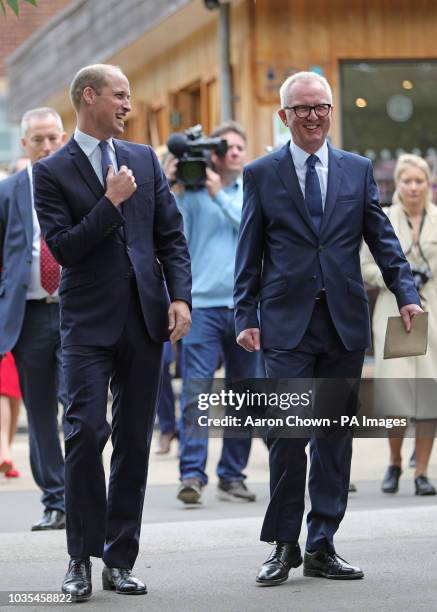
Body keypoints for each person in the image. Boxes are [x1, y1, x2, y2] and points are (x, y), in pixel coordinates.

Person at [234, 71, 422, 586]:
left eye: (321, 107)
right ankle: (282, 544)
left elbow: (382, 239)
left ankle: (322, 544)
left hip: (343, 324)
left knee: (335, 440)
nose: (313, 116)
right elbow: (249, 252)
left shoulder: (358, 170)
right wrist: (243, 315)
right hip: (285, 326)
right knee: (288, 438)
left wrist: (406, 294)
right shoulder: (262, 173)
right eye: (302, 109)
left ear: (331, 112)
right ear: (284, 116)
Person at [33, 64, 191, 602]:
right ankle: (79, 557)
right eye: (120, 95)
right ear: (90, 96)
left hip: (145, 319)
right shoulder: (50, 171)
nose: (128, 104)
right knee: (84, 433)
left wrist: (180, 297)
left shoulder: (145, 160)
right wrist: (110, 203)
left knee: (132, 443)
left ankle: (120, 560)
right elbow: (65, 250)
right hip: (86, 325)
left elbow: (171, 237)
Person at [165, 121, 264, 505]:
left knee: (244, 393)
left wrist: (219, 194)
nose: (235, 152)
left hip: (244, 307)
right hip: (202, 306)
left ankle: (232, 475)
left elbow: (253, 230)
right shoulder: (190, 193)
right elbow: (170, 233)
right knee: (196, 390)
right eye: (227, 147)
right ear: (212, 153)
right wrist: (172, 184)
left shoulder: (250, 191)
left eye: (240, 146)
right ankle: (192, 473)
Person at [0, 108, 68, 529]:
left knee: (81, 406)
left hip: (75, 312)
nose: (46, 147)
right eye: (38, 139)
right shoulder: (8, 192)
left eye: (53, 138)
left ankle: (83, 489)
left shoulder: (80, 183)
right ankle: (56, 501)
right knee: (41, 410)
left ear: (64, 139)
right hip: (28, 316)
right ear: (23, 143)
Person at [361, 154, 436, 496]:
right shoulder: (384, 219)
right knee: (397, 394)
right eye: (407, 181)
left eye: (420, 181)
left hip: (431, 314)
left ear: (428, 184)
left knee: (428, 395)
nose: (414, 187)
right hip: (394, 313)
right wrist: (396, 278)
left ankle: (421, 471)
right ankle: (393, 463)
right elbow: (364, 265)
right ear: (397, 185)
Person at [0, 352, 21, 478]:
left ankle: (5, 454)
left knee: (15, 407)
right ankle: (5, 455)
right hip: (4, 354)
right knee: (4, 399)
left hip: (14, 353)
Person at [155, 341, 178, 454]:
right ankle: (168, 428)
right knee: (161, 363)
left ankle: (187, 437)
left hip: (197, 325)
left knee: (193, 372)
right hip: (165, 324)